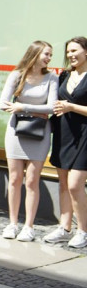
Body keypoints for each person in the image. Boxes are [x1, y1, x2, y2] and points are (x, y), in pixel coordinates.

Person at [0, 41, 58, 241]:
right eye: (46, 54)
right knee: (14, 179)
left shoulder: (51, 77)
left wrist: (22, 107)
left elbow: (52, 107)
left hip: (40, 133)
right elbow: (3, 104)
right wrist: (26, 109)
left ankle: (28, 226)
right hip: (15, 131)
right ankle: (13, 223)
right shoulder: (17, 75)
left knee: (32, 181)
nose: (49, 58)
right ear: (34, 54)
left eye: (50, 55)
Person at [51, 37, 87, 249]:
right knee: (64, 183)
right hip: (63, 132)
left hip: (84, 135)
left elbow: (70, 105)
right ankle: (65, 228)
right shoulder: (64, 75)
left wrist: (71, 107)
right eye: (68, 52)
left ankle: (83, 231)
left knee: (75, 185)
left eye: (75, 51)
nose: (70, 55)